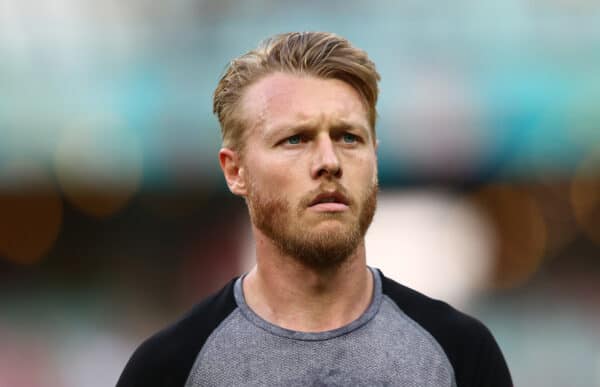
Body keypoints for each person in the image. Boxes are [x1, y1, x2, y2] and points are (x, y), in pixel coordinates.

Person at [117, 31, 512, 387]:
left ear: (374, 158)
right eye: (295, 139)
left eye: (348, 137)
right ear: (235, 171)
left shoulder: (461, 355)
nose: (329, 160)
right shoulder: (170, 368)